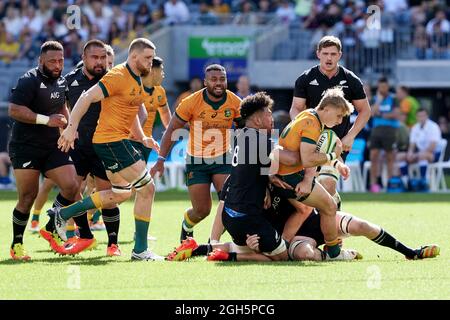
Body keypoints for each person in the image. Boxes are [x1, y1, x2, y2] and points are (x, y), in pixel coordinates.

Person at [52, 38, 163, 261]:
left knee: (121, 193)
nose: (151, 63)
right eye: (148, 58)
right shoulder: (117, 75)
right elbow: (86, 97)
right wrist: (71, 128)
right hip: (110, 141)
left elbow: (131, 112)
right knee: (147, 189)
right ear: (134, 57)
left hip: (115, 141)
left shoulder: (138, 80)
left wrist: (142, 138)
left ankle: (63, 214)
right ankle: (140, 250)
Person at [151, 64, 242, 242]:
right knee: (202, 210)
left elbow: (244, 130)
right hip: (196, 160)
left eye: (222, 79)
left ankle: (212, 241)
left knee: (230, 204)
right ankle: (187, 225)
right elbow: (171, 130)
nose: (219, 83)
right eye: (214, 79)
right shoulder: (191, 102)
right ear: (205, 82)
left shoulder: (235, 102)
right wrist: (161, 159)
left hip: (223, 158)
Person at [8, 41, 80, 260]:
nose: (57, 65)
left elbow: (61, 106)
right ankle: (17, 244)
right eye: (52, 61)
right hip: (26, 147)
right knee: (27, 197)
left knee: (71, 186)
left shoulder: (61, 81)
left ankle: (50, 227)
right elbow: (14, 110)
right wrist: (46, 120)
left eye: (60, 60)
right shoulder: (28, 81)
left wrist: (69, 127)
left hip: (52, 146)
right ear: (41, 60)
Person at [289, 36, 370, 204]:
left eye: (333, 54)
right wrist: (300, 127)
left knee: (328, 184)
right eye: (325, 53)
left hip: (337, 142)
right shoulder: (305, 78)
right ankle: (327, 215)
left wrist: (351, 135)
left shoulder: (351, 80)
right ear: (318, 54)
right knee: (307, 190)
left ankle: (332, 219)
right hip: (311, 140)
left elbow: (365, 111)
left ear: (340, 55)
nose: (329, 58)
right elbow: (296, 108)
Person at [277, 87, 354, 259]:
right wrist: (335, 154)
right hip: (291, 176)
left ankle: (282, 247)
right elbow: (308, 159)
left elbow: (307, 154)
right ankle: (334, 253)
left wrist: (334, 163)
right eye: (339, 115)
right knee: (330, 206)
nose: (340, 121)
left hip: (281, 173)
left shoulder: (308, 115)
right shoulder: (312, 124)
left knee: (304, 209)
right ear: (327, 108)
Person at [397, 108, 442, 189]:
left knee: (422, 156)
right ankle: (406, 181)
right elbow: (412, 144)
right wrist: (410, 153)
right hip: (419, 153)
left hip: (433, 154)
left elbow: (432, 146)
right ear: (416, 117)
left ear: (427, 116)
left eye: (423, 116)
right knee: (400, 156)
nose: (421, 118)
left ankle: (423, 181)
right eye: (419, 116)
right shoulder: (415, 127)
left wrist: (417, 154)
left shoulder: (433, 126)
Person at [369, 77, 400, 193]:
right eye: (380, 87)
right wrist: (379, 102)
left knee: (390, 157)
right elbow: (371, 113)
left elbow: (396, 114)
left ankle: (390, 183)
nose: (383, 89)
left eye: (384, 86)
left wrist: (380, 114)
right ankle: (373, 185)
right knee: (373, 157)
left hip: (390, 130)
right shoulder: (375, 99)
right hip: (376, 130)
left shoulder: (394, 98)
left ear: (387, 86)